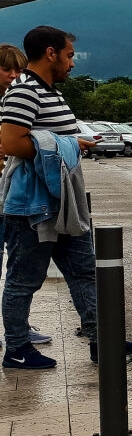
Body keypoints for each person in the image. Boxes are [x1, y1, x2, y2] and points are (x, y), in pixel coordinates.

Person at [0, 26, 132, 369]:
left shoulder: (52, 93)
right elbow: (10, 143)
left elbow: (42, 137)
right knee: (24, 279)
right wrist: (68, 144)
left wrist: (65, 142)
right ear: (50, 53)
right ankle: (17, 348)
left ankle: (102, 339)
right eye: (69, 56)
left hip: (64, 200)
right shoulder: (24, 92)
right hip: (34, 203)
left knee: (83, 271)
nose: (72, 64)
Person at [0, 44, 52, 347]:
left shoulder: (12, 102)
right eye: (7, 69)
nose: (14, 75)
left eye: (18, 70)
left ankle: (18, 326)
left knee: (16, 268)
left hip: (10, 199)